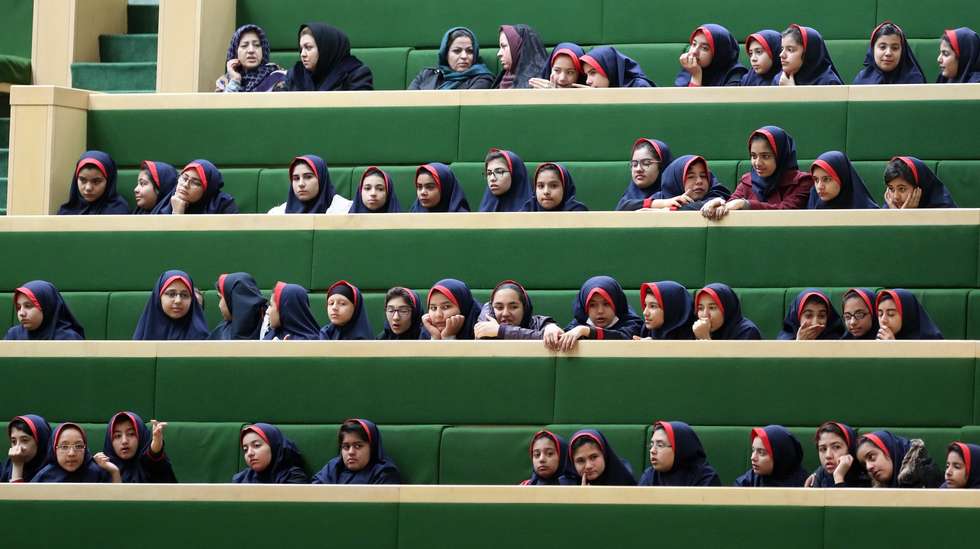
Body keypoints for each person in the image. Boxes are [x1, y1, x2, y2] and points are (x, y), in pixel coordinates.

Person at [701, 126, 813, 219]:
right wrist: (719, 204)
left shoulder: (802, 182)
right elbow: (732, 203)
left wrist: (746, 204)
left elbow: (786, 211)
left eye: (765, 156)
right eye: (753, 156)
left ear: (781, 156)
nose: (757, 163)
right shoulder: (747, 181)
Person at [546, 275, 643, 351]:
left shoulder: (633, 324)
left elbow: (623, 337)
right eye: (592, 305)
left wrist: (587, 331)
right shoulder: (578, 324)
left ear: (616, 303)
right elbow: (564, 337)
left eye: (606, 304)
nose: (600, 311)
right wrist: (550, 327)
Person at [283, 23, 372, 91]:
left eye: (308, 48)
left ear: (325, 48)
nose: (302, 54)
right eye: (301, 48)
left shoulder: (356, 74)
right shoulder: (295, 74)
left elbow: (359, 113)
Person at [312, 419, 401, 484]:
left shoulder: (384, 473)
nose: (351, 452)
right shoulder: (333, 467)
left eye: (358, 446)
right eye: (346, 447)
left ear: (372, 447)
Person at [132, 270, 210, 341]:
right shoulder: (144, 333)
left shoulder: (201, 337)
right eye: (171, 294)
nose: (178, 301)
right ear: (159, 297)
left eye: (184, 295)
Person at [30, 423, 120, 483]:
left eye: (78, 446)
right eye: (64, 447)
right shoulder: (43, 477)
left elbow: (117, 505)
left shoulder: (96, 473)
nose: (71, 453)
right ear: (54, 449)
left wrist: (115, 472)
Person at [639, 421, 721, 486]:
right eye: (652, 445)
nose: (652, 451)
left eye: (660, 445)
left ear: (680, 448)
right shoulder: (650, 476)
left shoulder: (705, 478)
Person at [102, 411, 177, 483]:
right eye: (118, 436)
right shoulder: (104, 468)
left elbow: (153, 457)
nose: (124, 441)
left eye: (131, 434)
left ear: (141, 436)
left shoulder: (150, 465)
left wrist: (157, 443)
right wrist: (115, 472)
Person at [409, 27, 493, 90]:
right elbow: (408, 101)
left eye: (469, 51)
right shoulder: (426, 74)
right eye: (457, 51)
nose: (464, 56)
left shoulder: (482, 79)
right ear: (445, 53)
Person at [474, 279, 561, 340]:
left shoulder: (541, 323)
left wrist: (501, 331)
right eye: (499, 307)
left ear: (525, 308)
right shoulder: (486, 322)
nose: (505, 313)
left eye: (513, 307)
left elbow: (554, 339)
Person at [641, 155, 731, 211]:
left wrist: (667, 211)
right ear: (676, 180)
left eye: (703, 176)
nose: (699, 181)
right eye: (691, 177)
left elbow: (706, 206)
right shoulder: (662, 198)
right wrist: (659, 204)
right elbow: (627, 205)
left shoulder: (716, 196)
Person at [269, 154, 352, 214]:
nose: (301, 184)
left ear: (321, 178)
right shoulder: (278, 214)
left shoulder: (345, 210)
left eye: (308, 177)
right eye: (296, 178)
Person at [856, 431, 942, 488]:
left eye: (871, 457)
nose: (868, 467)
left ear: (889, 450)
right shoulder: (874, 489)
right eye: (864, 464)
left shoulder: (925, 472)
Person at [216, 24, 286, 92]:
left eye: (257, 45)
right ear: (236, 51)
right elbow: (223, 104)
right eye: (244, 45)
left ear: (263, 50)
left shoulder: (277, 77)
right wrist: (235, 80)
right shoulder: (224, 82)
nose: (251, 50)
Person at [57, 151, 130, 215]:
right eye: (83, 180)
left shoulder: (119, 212)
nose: (88, 188)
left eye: (96, 181)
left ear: (109, 182)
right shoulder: (66, 212)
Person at [5, 281, 84, 340]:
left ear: (47, 308)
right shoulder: (13, 335)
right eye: (19, 307)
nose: (21, 313)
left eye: (28, 306)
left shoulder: (68, 338)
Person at [852, 22, 926, 85]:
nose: (888, 53)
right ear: (872, 50)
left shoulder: (914, 81)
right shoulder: (861, 80)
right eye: (882, 47)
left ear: (902, 52)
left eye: (895, 48)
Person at [233, 423, 309, 484]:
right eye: (245, 449)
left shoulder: (293, 477)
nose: (249, 453)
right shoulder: (240, 479)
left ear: (274, 446)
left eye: (256, 445)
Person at [675, 24, 747, 87]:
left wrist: (696, 77)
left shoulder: (735, 73)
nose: (694, 52)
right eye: (694, 44)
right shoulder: (690, 68)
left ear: (719, 53)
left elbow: (725, 102)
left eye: (704, 48)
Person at [735, 425, 807, 487]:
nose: (753, 457)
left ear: (779, 457)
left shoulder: (806, 484)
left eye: (761, 453)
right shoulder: (747, 482)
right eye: (753, 450)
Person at [158, 160, 239, 215]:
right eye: (184, 178)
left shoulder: (223, 204)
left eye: (195, 183)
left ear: (207, 189)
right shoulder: (169, 202)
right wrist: (176, 211)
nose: (186, 185)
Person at [804, 422, 869, 487]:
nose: (828, 455)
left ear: (850, 450)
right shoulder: (819, 476)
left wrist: (838, 477)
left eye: (836, 447)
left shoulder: (866, 478)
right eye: (823, 449)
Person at [807, 151, 879, 209]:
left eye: (826, 179)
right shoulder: (814, 207)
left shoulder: (869, 213)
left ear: (842, 178)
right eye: (816, 180)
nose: (819, 186)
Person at [563, 429, 637, 486]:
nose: (588, 466)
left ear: (604, 455)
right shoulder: (564, 486)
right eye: (580, 460)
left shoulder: (623, 479)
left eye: (594, 457)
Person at [774, 24, 842, 85]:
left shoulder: (829, 83)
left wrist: (792, 91)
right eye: (782, 49)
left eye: (790, 50)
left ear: (809, 53)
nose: (781, 55)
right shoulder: (780, 79)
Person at [616, 138, 673, 211]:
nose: (638, 169)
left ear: (662, 166)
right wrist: (655, 203)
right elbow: (623, 208)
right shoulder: (627, 200)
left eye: (646, 163)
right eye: (634, 164)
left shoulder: (674, 196)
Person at [881, 156, 957, 209]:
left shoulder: (944, 211)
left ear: (919, 188)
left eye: (902, 189)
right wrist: (893, 216)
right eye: (891, 189)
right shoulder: (889, 207)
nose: (895, 197)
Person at [692, 283, 762, 340]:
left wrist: (705, 338)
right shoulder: (698, 329)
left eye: (712, 308)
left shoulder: (747, 332)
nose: (705, 314)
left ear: (727, 308)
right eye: (700, 308)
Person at [209, 272, 267, 340]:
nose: (219, 305)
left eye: (220, 298)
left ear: (233, 299)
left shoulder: (268, 329)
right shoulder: (220, 333)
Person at [493, 24, 548, 89]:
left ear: (519, 47)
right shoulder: (502, 78)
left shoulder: (539, 83)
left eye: (504, 46)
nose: (499, 54)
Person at [777, 289, 846, 340]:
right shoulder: (784, 343)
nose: (815, 323)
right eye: (808, 315)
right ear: (797, 317)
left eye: (821, 316)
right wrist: (798, 344)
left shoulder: (838, 342)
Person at [875, 289, 944, 340]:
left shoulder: (931, 340)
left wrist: (893, 347)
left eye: (891, 314)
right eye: (880, 314)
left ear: (907, 315)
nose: (883, 320)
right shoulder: (879, 338)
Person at [2, 415, 51, 483]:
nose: (17, 447)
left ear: (41, 441)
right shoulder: (7, 467)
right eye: (14, 441)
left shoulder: (53, 473)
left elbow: (17, 494)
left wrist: (17, 467)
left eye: (24, 440)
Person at [522, 162, 588, 211]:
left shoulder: (577, 211)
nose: (546, 192)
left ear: (565, 188)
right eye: (541, 186)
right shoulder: (529, 208)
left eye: (553, 186)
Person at [580, 46, 654, 87]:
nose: (587, 81)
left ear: (609, 69)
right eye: (587, 75)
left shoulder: (640, 86)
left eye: (593, 73)